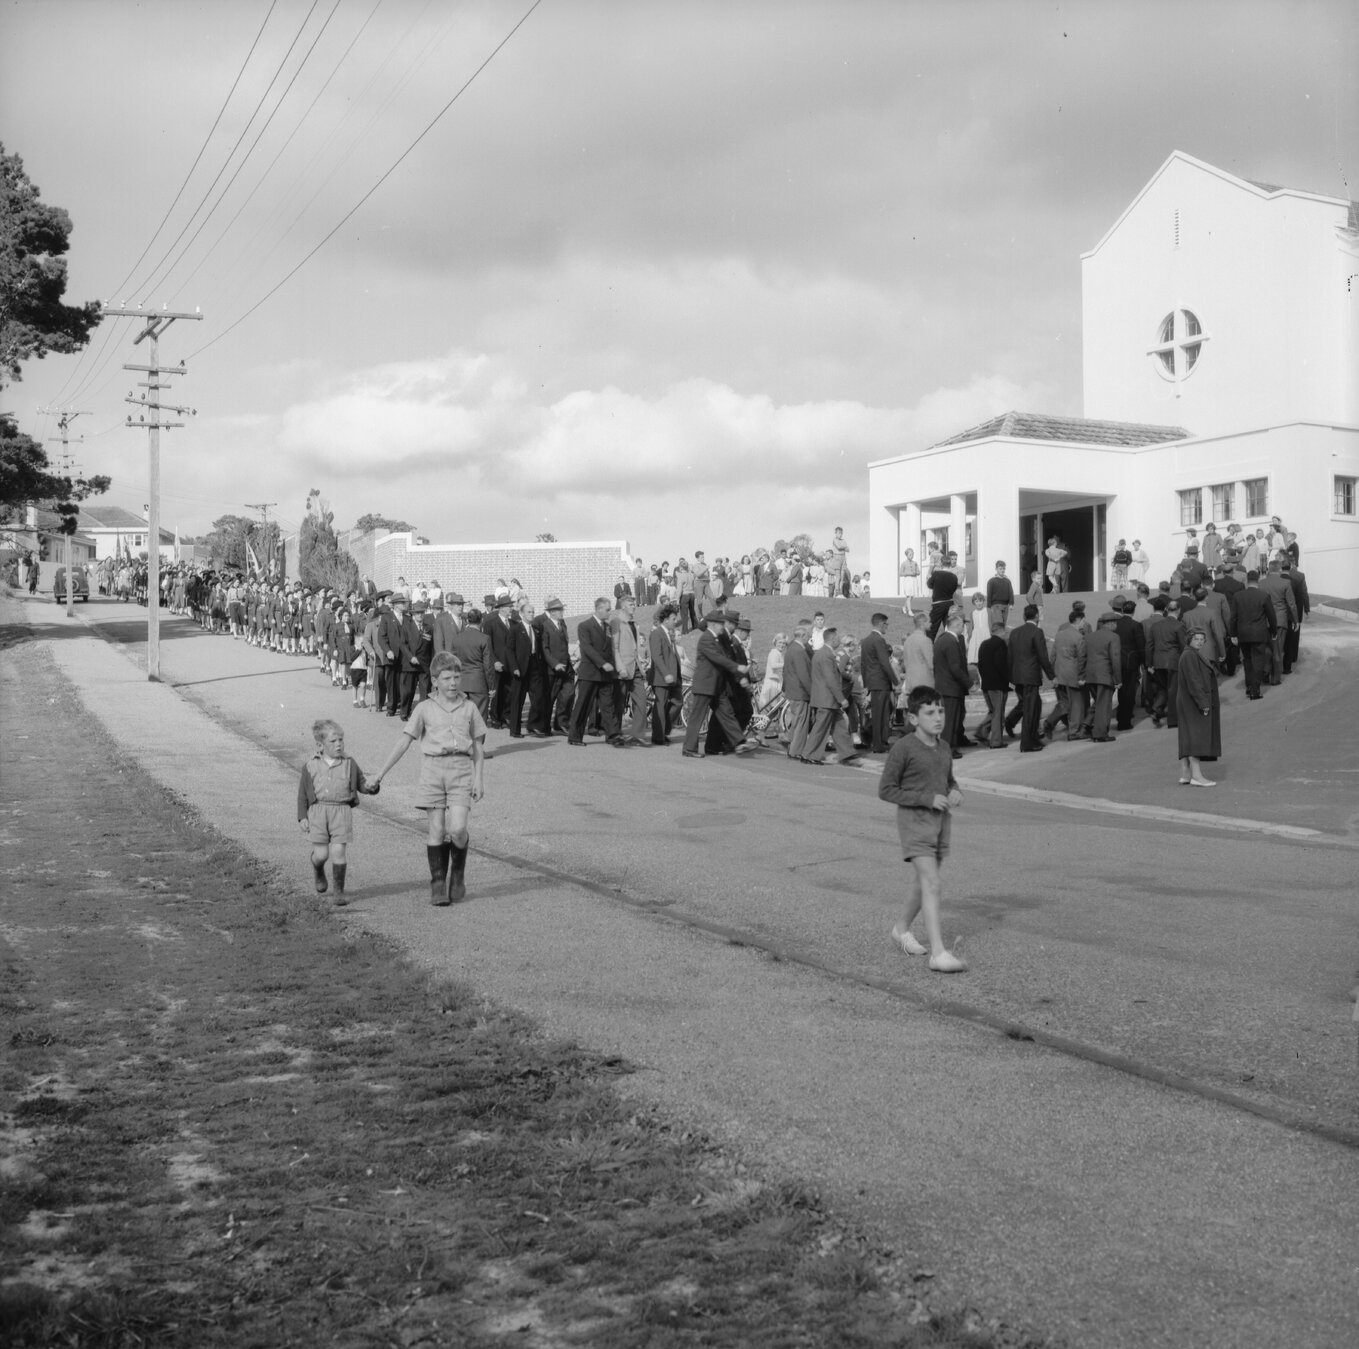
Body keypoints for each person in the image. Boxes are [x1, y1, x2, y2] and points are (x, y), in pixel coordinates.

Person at [372, 652, 486, 904]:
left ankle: (457, 873)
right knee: (436, 829)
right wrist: (380, 773)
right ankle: (437, 884)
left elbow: (478, 745)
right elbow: (404, 741)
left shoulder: (469, 708)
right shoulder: (423, 708)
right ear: (435, 681)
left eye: (457, 677)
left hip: (460, 770)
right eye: (447, 678)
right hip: (433, 771)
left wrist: (479, 779)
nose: (453, 683)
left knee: (458, 829)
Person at [877, 686, 967, 973]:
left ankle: (901, 928)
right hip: (914, 823)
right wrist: (925, 799)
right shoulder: (904, 748)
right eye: (929, 713)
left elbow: (949, 780)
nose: (938, 717)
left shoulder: (944, 747)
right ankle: (938, 953)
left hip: (940, 824)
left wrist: (954, 791)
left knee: (923, 882)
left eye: (940, 711)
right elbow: (886, 790)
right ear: (914, 718)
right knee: (932, 883)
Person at [296, 719, 379, 905]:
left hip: (341, 811)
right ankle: (318, 868)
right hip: (318, 812)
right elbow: (302, 794)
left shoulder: (350, 763)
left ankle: (338, 892)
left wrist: (371, 787)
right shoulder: (310, 766)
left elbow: (362, 785)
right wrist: (302, 816)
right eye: (333, 741)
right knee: (322, 854)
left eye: (341, 740)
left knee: (339, 851)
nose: (339, 744)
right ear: (320, 745)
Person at [682, 610, 752, 758]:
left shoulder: (717, 639)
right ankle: (689, 748)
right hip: (705, 684)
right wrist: (736, 667)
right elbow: (717, 658)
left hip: (717, 686)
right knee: (697, 717)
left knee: (727, 713)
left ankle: (739, 742)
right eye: (721, 624)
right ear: (713, 624)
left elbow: (722, 657)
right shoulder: (706, 638)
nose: (723, 626)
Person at [801, 627, 859, 765]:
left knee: (839, 725)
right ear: (832, 639)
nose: (839, 640)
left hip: (826, 698)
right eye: (837, 638)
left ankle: (847, 752)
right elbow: (831, 679)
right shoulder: (826, 655)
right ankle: (809, 754)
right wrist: (841, 698)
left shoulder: (822, 653)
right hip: (827, 699)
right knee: (821, 728)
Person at [569, 597, 623, 746]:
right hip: (590, 673)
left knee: (608, 705)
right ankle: (575, 736)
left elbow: (610, 650)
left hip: (605, 675)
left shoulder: (607, 627)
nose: (609, 612)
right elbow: (587, 648)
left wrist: (613, 668)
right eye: (607, 609)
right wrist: (602, 663)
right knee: (583, 704)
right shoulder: (585, 626)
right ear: (598, 609)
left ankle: (613, 735)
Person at [1005, 604, 1054, 751]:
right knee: (1030, 710)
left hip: (1018, 676)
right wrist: (1052, 676)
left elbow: (1009, 657)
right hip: (1030, 676)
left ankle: (1032, 737)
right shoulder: (1037, 632)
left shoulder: (1015, 632)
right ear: (1037, 616)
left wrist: (1010, 676)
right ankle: (1027, 743)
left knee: (1032, 706)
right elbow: (1042, 656)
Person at [1176, 629, 1221, 787]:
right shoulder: (1190, 655)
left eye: (1202, 639)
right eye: (1196, 639)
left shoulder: (1190, 654)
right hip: (1193, 703)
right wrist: (1203, 703)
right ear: (1189, 639)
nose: (1200, 642)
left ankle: (1186, 773)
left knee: (1188, 736)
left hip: (1187, 701)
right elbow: (1194, 682)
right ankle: (1196, 776)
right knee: (1196, 737)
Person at [932, 609, 971, 758]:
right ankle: (947, 748)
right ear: (957, 625)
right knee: (950, 720)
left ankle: (950, 747)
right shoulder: (951, 641)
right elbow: (955, 667)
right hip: (950, 687)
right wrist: (969, 683)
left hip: (943, 685)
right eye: (962, 626)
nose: (964, 628)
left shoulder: (941, 639)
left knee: (949, 719)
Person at [1233, 571, 1277, 700]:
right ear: (1258, 580)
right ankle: (1255, 691)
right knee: (1258, 661)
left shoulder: (1238, 596)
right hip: (1258, 633)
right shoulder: (1264, 596)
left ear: (1247, 580)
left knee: (1247, 661)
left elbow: (1233, 617)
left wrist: (1233, 634)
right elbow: (1271, 617)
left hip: (1243, 634)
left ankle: (1248, 686)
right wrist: (1274, 632)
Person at [860, 613, 899, 754]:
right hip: (881, 682)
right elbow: (884, 663)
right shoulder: (879, 640)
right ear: (881, 623)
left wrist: (866, 683)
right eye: (886, 624)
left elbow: (863, 664)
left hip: (872, 681)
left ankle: (880, 742)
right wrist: (895, 680)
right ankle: (879, 743)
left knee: (879, 714)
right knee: (881, 714)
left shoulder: (865, 641)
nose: (887, 627)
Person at [1082, 612, 1122, 741]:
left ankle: (1091, 727)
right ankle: (1100, 734)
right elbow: (1115, 659)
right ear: (1110, 623)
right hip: (1105, 675)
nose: (1116, 625)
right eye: (1115, 623)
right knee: (1104, 706)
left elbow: (1083, 657)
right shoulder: (1114, 637)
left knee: (1098, 703)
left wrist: (1082, 675)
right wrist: (1118, 679)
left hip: (1091, 675)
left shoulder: (1089, 636)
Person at [648, 604, 684, 743]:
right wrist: (666, 673)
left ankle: (664, 729)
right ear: (666, 620)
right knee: (660, 706)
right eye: (674, 619)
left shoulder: (670, 634)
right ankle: (658, 736)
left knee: (678, 702)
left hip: (674, 676)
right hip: (661, 677)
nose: (676, 621)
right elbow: (657, 656)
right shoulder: (657, 633)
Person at [780, 621, 813, 759]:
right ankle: (796, 750)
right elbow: (803, 675)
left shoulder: (791, 648)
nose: (809, 637)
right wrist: (812, 693)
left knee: (796, 721)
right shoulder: (799, 651)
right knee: (801, 723)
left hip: (792, 691)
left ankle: (792, 747)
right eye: (808, 635)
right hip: (800, 692)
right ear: (803, 636)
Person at [974, 622, 1010, 749]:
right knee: (998, 713)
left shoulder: (984, 644)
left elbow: (980, 665)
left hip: (986, 684)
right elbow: (1002, 664)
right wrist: (1008, 679)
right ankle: (996, 741)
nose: (1006, 634)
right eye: (1005, 632)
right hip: (997, 684)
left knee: (993, 711)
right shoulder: (1000, 644)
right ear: (1000, 631)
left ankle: (981, 732)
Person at [760, 631, 788, 706]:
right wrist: (786, 664)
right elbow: (773, 665)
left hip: (776, 682)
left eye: (784, 643)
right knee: (773, 705)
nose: (782, 645)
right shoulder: (774, 652)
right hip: (772, 683)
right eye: (780, 642)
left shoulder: (780, 653)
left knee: (776, 705)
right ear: (775, 643)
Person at [985, 561, 1013, 630]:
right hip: (996, 605)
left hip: (1006, 605)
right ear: (996, 569)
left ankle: (1002, 639)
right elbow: (989, 594)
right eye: (1000, 569)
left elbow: (1010, 593)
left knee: (1004, 624)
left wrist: (1011, 603)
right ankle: (998, 637)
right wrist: (989, 606)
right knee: (999, 623)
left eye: (1003, 569)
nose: (1002, 570)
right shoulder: (991, 581)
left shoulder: (1007, 581)